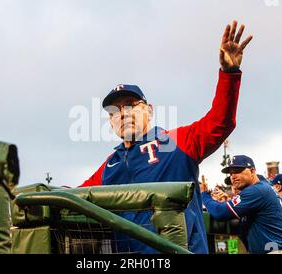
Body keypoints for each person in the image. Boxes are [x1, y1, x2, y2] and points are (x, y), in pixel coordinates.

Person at [78, 20, 253, 254]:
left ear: (148, 109)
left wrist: (229, 74)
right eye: (114, 110)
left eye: (131, 105)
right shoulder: (111, 163)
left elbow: (220, 122)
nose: (123, 113)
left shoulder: (176, 141)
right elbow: (76, 195)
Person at [200, 155, 282, 254]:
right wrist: (225, 202)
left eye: (238, 170)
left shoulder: (257, 190)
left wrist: (204, 195)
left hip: (276, 250)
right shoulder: (262, 186)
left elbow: (220, 212)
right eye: (231, 173)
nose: (233, 176)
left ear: (252, 171)